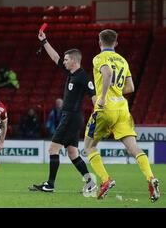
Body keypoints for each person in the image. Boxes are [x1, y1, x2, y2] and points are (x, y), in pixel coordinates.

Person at [83, 29, 160, 201]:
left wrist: (103, 97)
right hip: (122, 108)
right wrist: (116, 92)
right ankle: (150, 178)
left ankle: (106, 180)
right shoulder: (123, 61)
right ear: (116, 43)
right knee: (134, 148)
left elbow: (107, 73)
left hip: (105, 107)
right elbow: (131, 87)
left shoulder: (99, 58)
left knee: (89, 146)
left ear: (99, 42)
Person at [31, 29, 97, 194]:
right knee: (73, 152)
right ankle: (91, 183)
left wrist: (98, 117)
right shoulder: (71, 72)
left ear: (74, 61)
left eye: (67, 59)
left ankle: (50, 184)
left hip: (71, 117)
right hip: (70, 117)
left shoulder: (83, 77)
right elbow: (55, 57)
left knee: (53, 149)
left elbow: (94, 97)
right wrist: (44, 41)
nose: (64, 61)